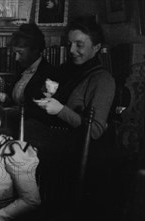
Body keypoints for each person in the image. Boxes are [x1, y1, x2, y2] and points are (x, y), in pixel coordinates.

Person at [33, 17, 115, 204]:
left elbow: (94, 131)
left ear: (96, 47)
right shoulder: (66, 70)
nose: (71, 50)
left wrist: (60, 109)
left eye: (79, 45)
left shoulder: (102, 80)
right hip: (59, 139)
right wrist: (45, 95)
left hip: (82, 151)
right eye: (69, 44)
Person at [8, 23, 61, 122]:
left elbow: (44, 111)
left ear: (35, 50)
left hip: (35, 129)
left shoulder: (50, 74)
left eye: (20, 53)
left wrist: (18, 112)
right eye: (15, 53)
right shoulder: (21, 69)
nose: (16, 58)